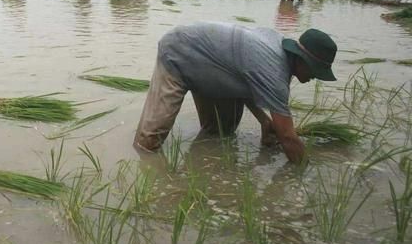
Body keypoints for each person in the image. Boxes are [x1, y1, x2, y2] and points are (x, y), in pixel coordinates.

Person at [133, 22, 338, 164]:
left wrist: (264, 121)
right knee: (148, 143)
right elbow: (288, 138)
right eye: (315, 70)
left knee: (221, 131)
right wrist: (304, 172)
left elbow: (247, 80)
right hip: (177, 51)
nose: (315, 77)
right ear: (301, 59)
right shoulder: (274, 70)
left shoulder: (277, 49)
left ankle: (202, 167)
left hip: (213, 68)